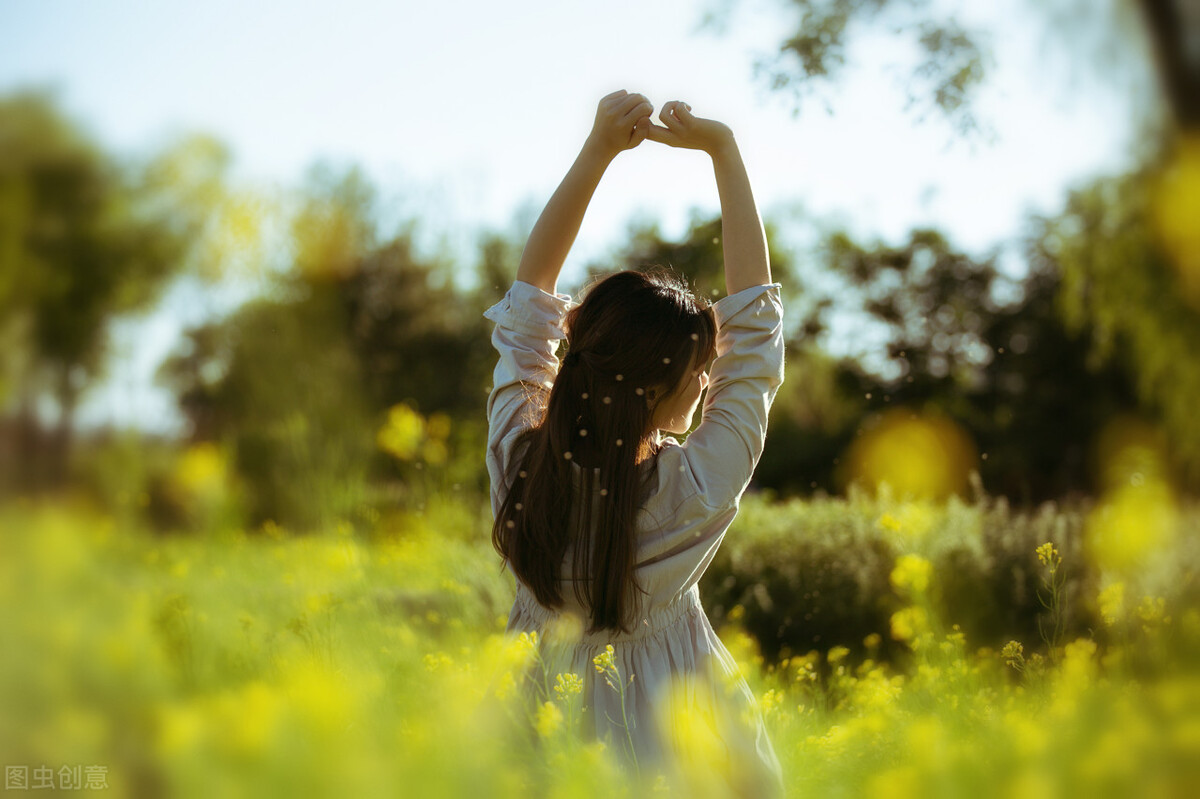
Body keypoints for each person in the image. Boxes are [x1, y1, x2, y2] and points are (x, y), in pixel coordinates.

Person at [483, 89, 786, 798]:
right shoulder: (695, 489)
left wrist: (596, 152)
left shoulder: (517, 460)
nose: (709, 380)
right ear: (655, 391)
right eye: (697, 371)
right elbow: (757, 344)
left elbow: (528, 302)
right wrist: (724, 151)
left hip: (539, 744)